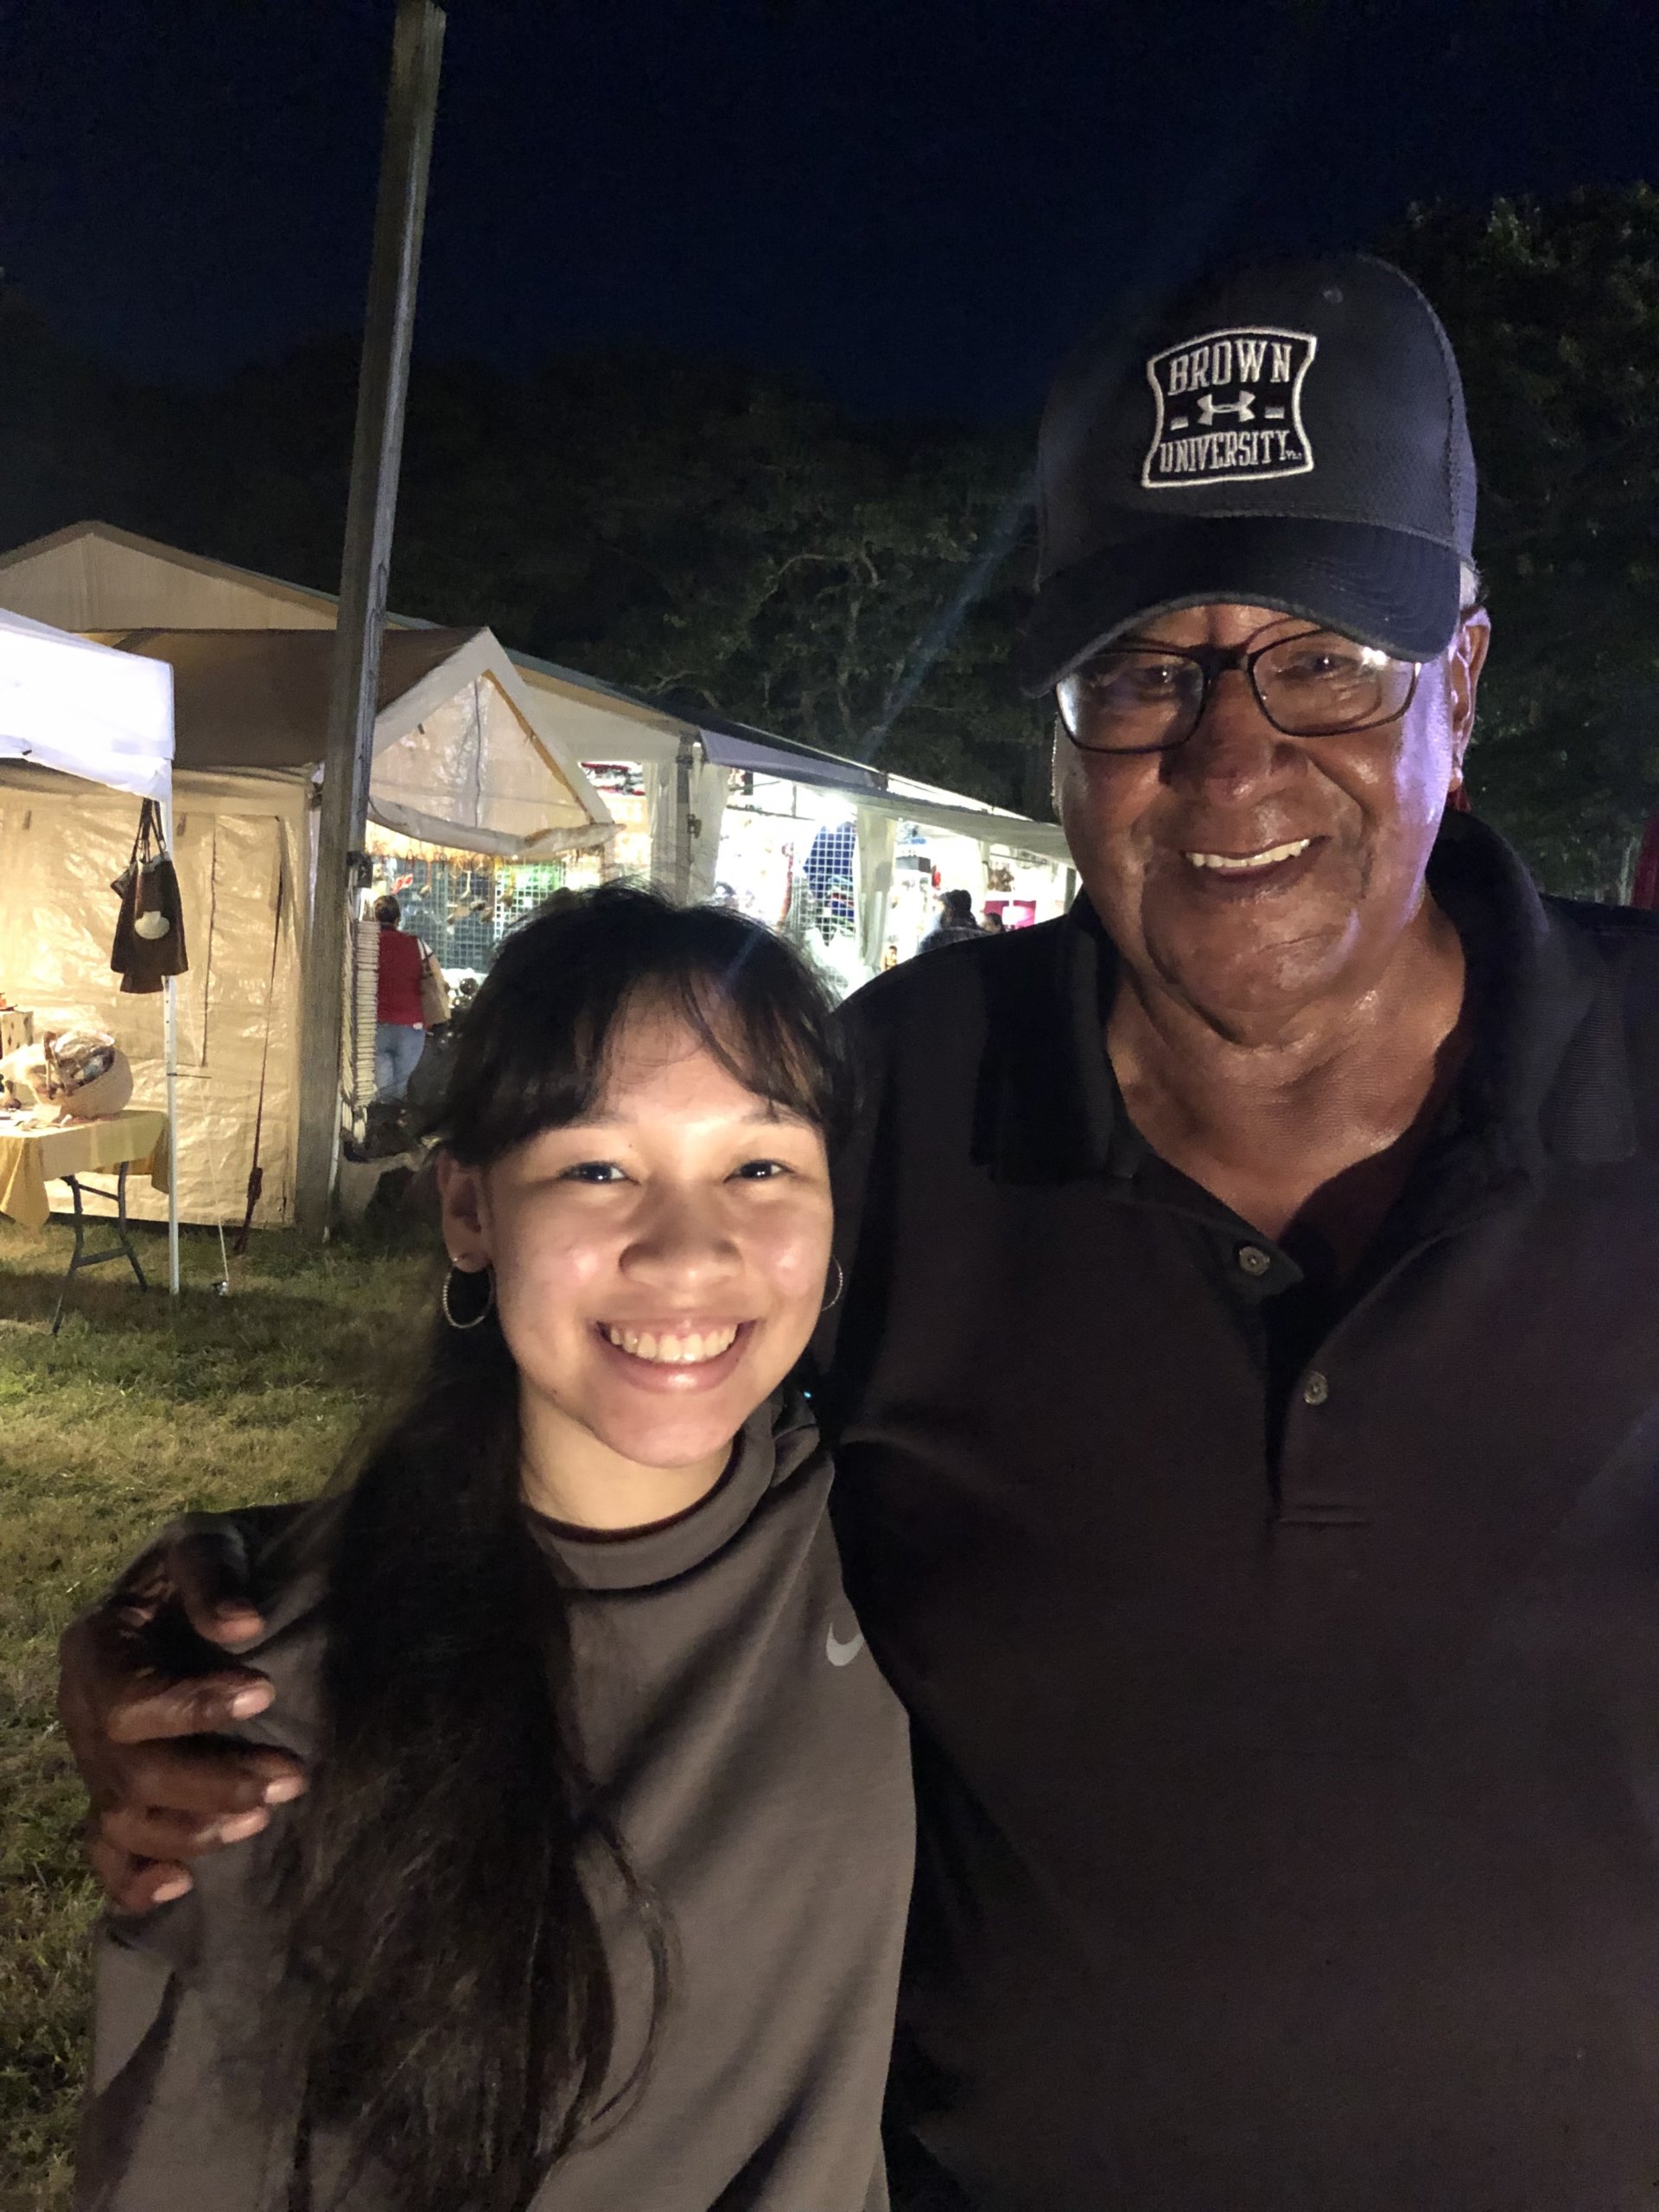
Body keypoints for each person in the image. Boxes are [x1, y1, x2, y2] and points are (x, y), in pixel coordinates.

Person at [60, 251, 1659, 2209]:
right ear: (1062, 733)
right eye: (1144, 671)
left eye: (1323, 657)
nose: (1229, 757)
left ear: (1462, 688)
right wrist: (242, 1626)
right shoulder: (891, 1105)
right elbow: (613, 1427)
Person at [72, 887, 912, 2211]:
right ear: (469, 1209)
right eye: (597, 1167)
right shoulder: (276, 1702)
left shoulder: (898, 1543)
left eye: (759, 1167)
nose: (690, 1252)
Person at [369, 893, 429, 1100]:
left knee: (382, 1091)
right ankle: (396, 1125)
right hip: (412, 1027)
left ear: (374, 919)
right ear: (398, 920)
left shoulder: (368, 945)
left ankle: (380, 1126)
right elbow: (436, 978)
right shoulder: (416, 944)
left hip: (377, 1025)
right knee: (401, 1087)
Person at [915, 890, 980, 953]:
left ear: (948, 911)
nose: (938, 916)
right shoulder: (984, 937)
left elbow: (917, 962)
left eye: (941, 910)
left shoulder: (933, 940)